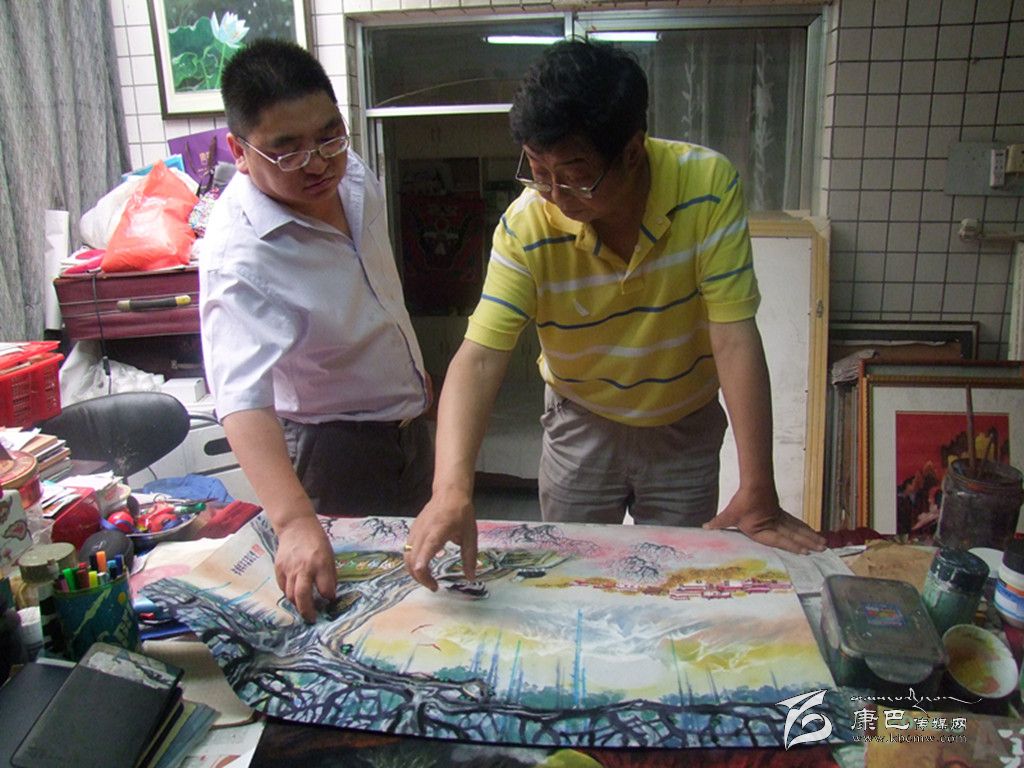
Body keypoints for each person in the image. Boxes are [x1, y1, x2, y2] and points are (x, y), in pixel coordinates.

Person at [405, 39, 825, 590]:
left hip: (682, 426)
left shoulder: (707, 185)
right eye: (538, 171)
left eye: (574, 175)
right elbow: (480, 358)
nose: (555, 195)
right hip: (580, 422)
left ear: (631, 152)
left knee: (677, 579)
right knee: (568, 577)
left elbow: (733, 337)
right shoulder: (527, 224)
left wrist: (758, 488)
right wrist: (450, 488)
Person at [199, 39, 433, 621]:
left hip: (408, 426)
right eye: (288, 150)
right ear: (240, 151)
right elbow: (240, 399)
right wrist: (294, 520)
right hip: (335, 451)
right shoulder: (239, 253)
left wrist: (407, 366)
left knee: (422, 591)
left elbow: (373, 287)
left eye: (329, 137)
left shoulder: (349, 176)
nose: (318, 162)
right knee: (360, 616)